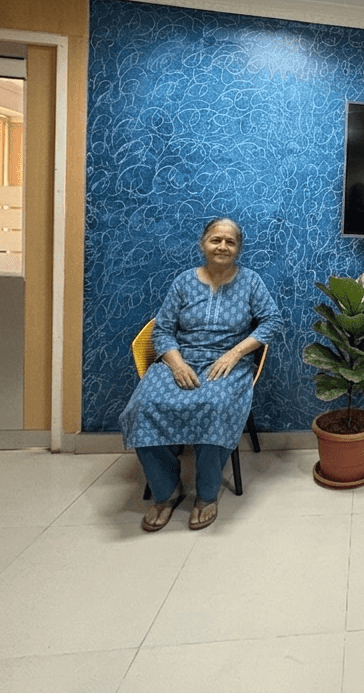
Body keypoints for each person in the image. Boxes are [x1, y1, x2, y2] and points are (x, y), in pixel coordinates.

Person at [120, 218, 282, 532]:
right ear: (203, 244)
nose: (222, 246)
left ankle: (207, 495)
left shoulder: (250, 282)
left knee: (216, 407)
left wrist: (235, 353)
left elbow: (271, 322)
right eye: (216, 240)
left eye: (230, 242)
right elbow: (163, 330)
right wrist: (177, 364)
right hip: (179, 358)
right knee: (142, 409)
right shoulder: (183, 281)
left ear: (239, 248)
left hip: (227, 363)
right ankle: (167, 490)